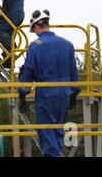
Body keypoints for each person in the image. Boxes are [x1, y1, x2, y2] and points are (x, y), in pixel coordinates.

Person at [17, 9, 81, 157]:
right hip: (65, 94)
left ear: (37, 26)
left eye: (34, 30)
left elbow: (28, 73)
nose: (35, 33)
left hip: (46, 93)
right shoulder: (67, 45)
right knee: (58, 131)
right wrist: (74, 94)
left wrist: (22, 94)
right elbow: (73, 72)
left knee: (46, 132)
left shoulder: (35, 46)